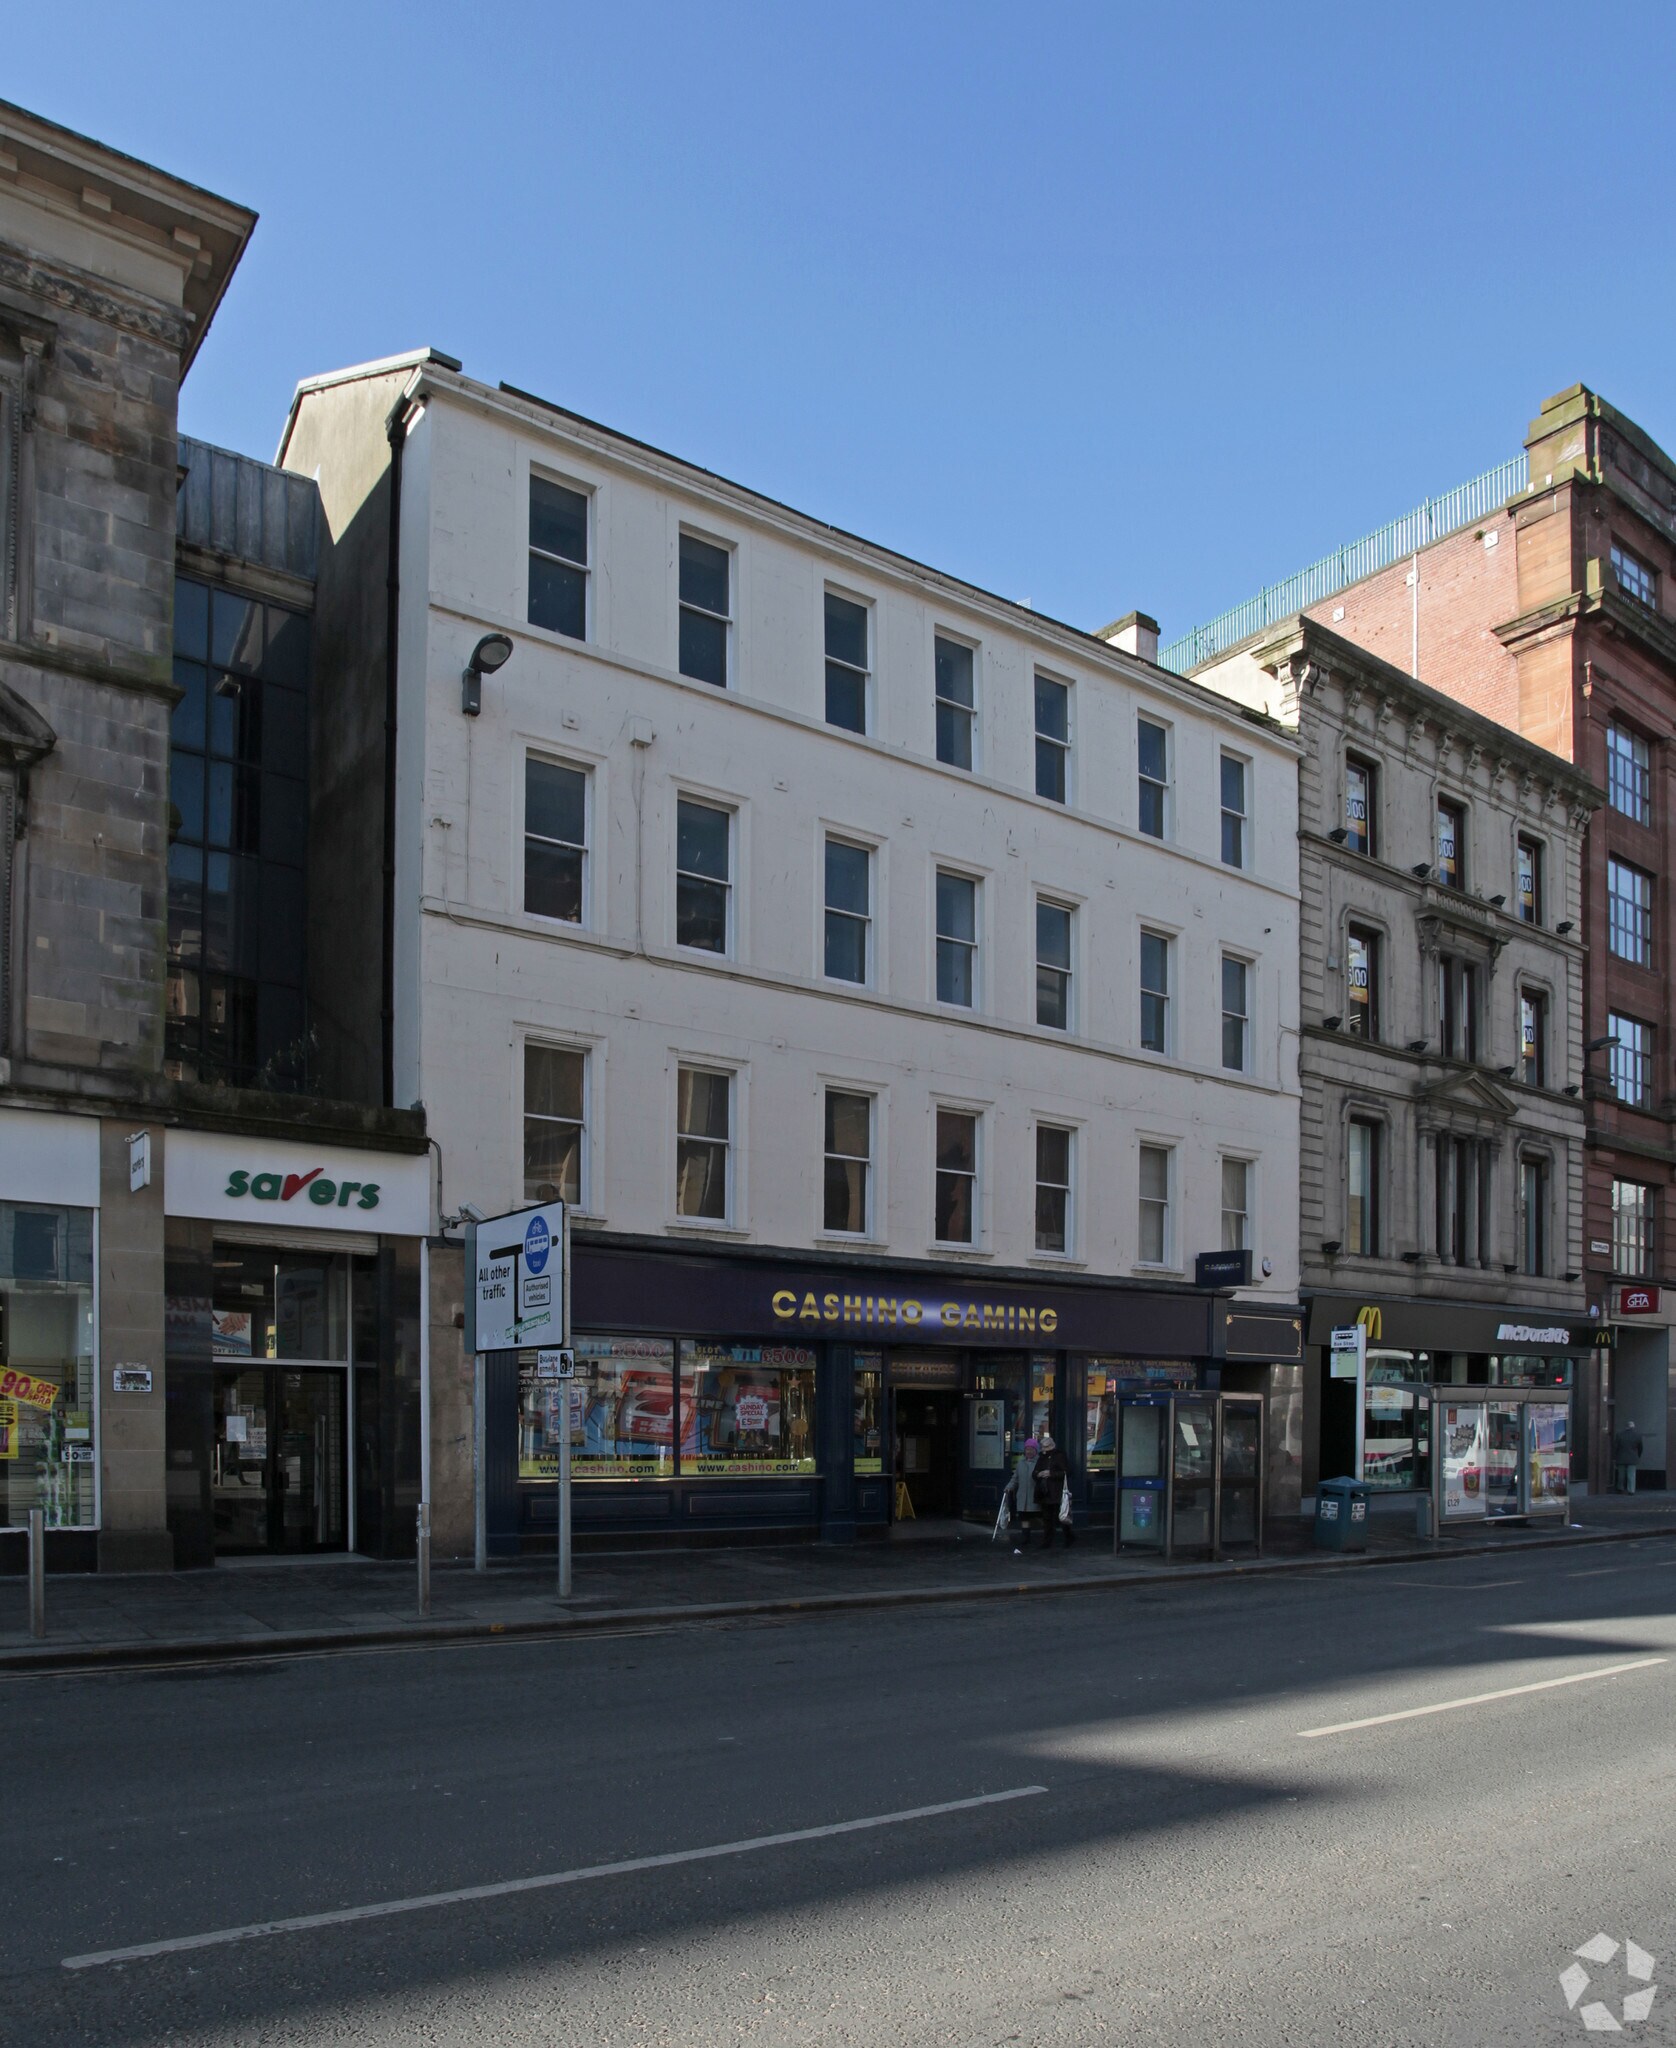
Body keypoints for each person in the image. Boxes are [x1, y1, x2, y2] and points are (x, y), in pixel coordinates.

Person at [1033, 1431, 1073, 1548]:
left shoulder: (1059, 1456)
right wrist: (1038, 1474)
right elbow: (1035, 1472)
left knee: (1060, 1517)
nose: (1044, 1450)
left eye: (1046, 1447)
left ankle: (1068, 1537)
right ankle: (1047, 1541)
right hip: (1044, 1491)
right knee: (1047, 1518)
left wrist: (1051, 1473)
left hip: (1056, 1491)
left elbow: (1067, 1472)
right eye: (1043, 1447)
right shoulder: (1041, 1457)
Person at [1006, 1437, 1041, 1538]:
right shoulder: (1020, 1463)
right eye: (1027, 1449)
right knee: (1024, 1518)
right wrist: (1009, 1487)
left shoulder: (1040, 1463)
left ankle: (1043, 1537)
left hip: (1035, 1496)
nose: (1029, 1451)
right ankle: (1026, 1538)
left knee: (1038, 1516)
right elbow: (1015, 1478)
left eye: (1031, 1449)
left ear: (1036, 1450)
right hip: (1022, 1496)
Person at [1614, 1419, 1643, 1495]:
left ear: (1626, 1427)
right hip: (1633, 1458)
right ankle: (1631, 1490)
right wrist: (1637, 1455)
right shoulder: (1638, 1435)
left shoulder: (1619, 1434)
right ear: (1633, 1427)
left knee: (1621, 1475)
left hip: (1621, 1457)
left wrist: (1615, 1456)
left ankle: (1620, 1488)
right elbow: (1640, 1448)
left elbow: (1616, 1447)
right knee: (1631, 1475)